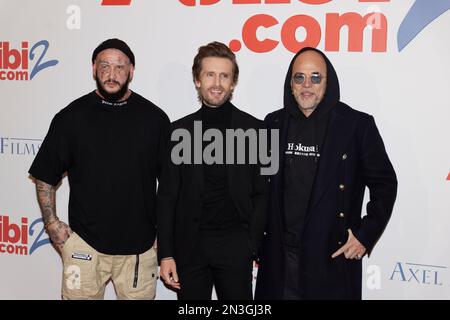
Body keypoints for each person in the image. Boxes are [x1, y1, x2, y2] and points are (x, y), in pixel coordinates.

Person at [28, 38, 170, 300]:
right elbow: (45, 176)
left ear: (131, 71)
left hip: (139, 250)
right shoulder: (71, 117)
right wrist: (51, 224)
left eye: (119, 67)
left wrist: (166, 236)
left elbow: (171, 185)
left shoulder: (155, 119)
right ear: (94, 68)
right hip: (84, 247)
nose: (111, 74)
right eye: (104, 66)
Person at [255, 47, 397, 300]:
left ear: (328, 81)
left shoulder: (356, 125)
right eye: (299, 77)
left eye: (315, 77)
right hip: (279, 258)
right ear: (291, 84)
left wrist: (365, 234)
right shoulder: (273, 123)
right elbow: (259, 188)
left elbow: (385, 184)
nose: (306, 85)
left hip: (330, 256)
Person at [157, 41, 269, 300]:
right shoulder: (177, 132)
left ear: (232, 82)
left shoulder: (259, 131)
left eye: (224, 75)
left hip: (236, 246)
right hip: (189, 247)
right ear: (197, 80)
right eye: (210, 74)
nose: (216, 82)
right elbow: (167, 196)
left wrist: (252, 243)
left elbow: (264, 193)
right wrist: (166, 252)